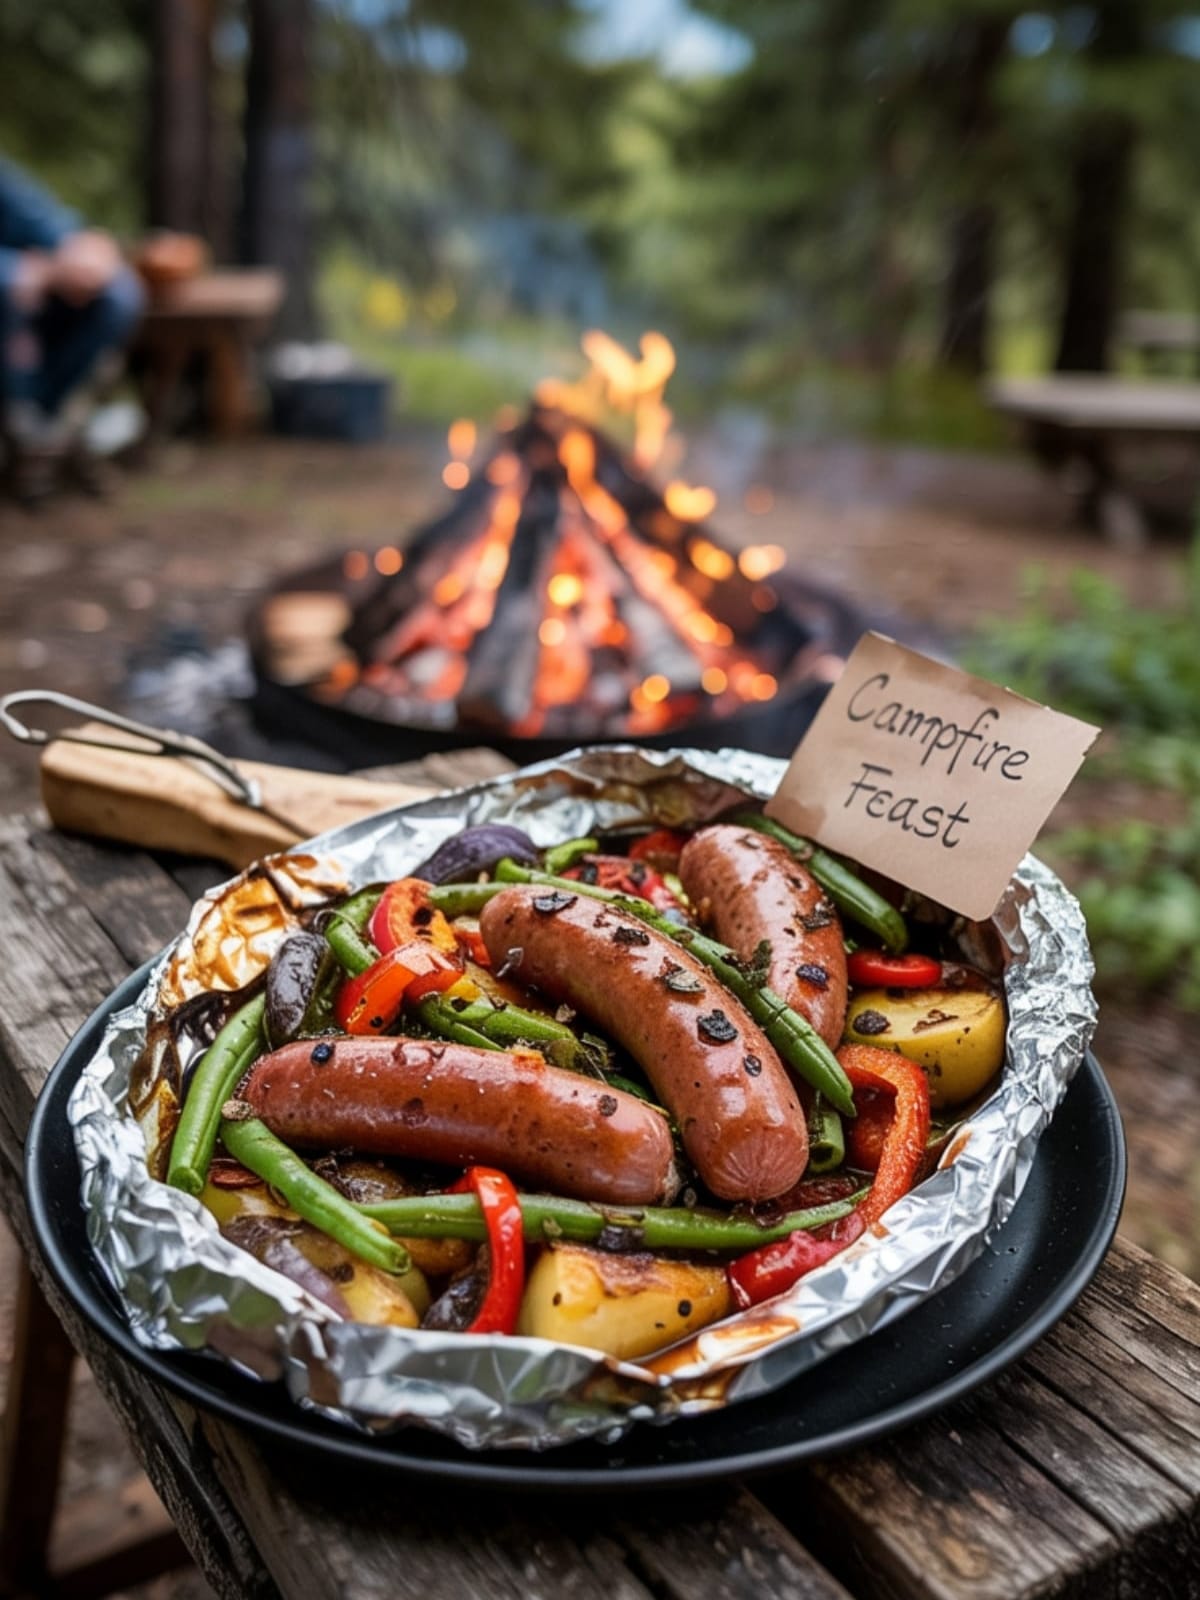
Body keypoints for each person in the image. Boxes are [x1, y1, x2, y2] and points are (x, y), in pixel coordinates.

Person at [0, 157, 144, 504]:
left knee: (118, 293)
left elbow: (59, 229)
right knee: (9, 293)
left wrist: (85, 258)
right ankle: (34, 427)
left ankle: (43, 424)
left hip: (40, 311)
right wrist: (14, 270)